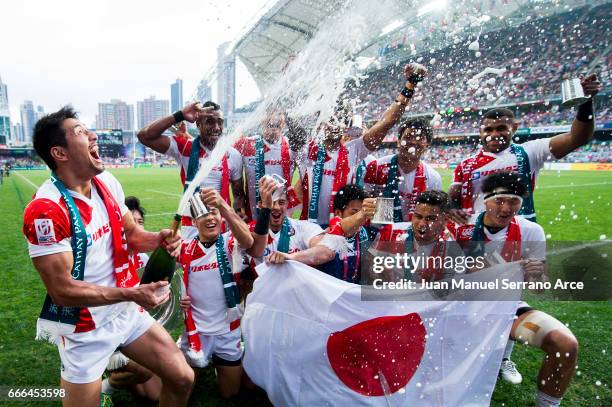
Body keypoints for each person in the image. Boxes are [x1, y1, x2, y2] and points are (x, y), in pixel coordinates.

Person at [22, 107, 193, 407]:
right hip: (85, 330)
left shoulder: (107, 183)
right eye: (80, 132)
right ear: (59, 153)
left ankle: (113, 380)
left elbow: (131, 234)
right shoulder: (45, 210)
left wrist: (158, 239)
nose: (93, 135)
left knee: (182, 377)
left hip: (125, 312)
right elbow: (62, 292)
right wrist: (133, 293)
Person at [452, 172, 578, 407]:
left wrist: (537, 275)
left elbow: (539, 289)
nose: (506, 208)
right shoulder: (461, 227)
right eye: (499, 200)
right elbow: (438, 280)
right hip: (459, 310)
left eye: (514, 201)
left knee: (565, 345)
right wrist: (469, 271)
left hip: (506, 313)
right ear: (484, 199)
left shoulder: (531, 231)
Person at [449, 73, 601, 224]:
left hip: (519, 235)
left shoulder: (529, 152)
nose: (494, 134)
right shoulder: (465, 165)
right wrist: (451, 208)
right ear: (480, 131)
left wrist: (585, 103)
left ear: (514, 128)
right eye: (488, 130)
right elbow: (452, 200)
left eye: (501, 128)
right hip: (477, 236)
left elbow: (577, 138)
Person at [300, 63, 427, 227]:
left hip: (344, 229)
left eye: (338, 118)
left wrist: (411, 83)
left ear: (345, 125)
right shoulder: (305, 150)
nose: (332, 123)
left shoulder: (354, 151)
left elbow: (386, 123)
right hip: (308, 230)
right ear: (319, 121)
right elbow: (293, 125)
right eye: (328, 117)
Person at [177, 186, 254, 399]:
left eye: (214, 212)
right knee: (182, 388)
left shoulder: (230, 242)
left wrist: (222, 204)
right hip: (196, 331)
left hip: (227, 331)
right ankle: (190, 354)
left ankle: (219, 360)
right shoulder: (184, 249)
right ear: (193, 222)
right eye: (203, 214)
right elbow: (168, 286)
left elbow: (248, 241)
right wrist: (177, 301)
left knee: (230, 393)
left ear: (221, 217)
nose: (210, 218)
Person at [137, 101, 246, 238]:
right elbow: (144, 136)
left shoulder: (233, 155)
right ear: (198, 124)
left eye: (220, 122)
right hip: (193, 227)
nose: (216, 127)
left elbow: (238, 195)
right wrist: (180, 115)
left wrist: (237, 217)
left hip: (222, 227)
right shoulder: (185, 148)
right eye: (210, 122)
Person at [361, 118, 442, 222]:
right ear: (398, 142)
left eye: (420, 138)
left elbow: (433, 213)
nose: (413, 142)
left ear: (427, 145)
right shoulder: (376, 167)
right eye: (408, 137)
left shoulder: (433, 178)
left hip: (413, 234)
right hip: (378, 231)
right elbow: (362, 203)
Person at [374, 190, 463, 284]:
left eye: (431, 219)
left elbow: (455, 293)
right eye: (418, 217)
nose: (422, 224)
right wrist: (379, 273)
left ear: (445, 220)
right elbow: (368, 273)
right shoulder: (391, 232)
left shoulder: (452, 251)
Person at [233, 109, 302, 221]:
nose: (274, 116)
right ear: (261, 120)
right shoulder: (246, 144)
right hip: (253, 217)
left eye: (279, 112)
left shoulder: (292, 146)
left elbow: (302, 139)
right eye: (269, 112)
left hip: (281, 216)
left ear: (284, 122)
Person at [250, 178, 334, 267]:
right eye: (271, 202)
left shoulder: (303, 227)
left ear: (287, 204)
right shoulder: (249, 230)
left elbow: (327, 251)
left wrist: (291, 257)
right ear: (261, 205)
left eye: (281, 202)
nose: (277, 207)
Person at [315, 184, 376, 283]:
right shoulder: (322, 233)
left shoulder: (368, 235)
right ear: (338, 213)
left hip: (353, 296)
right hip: (327, 294)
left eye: (363, 214)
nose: (360, 218)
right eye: (354, 213)